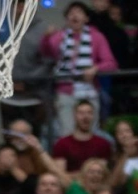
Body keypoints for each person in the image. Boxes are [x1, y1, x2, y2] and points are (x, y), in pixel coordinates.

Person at [40, 3, 118, 139]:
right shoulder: (59, 36)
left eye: (79, 12)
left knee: (91, 133)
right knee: (67, 133)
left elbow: (111, 63)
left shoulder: (97, 37)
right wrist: (46, 38)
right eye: (71, 13)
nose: (74, 15)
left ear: (86, 18)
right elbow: (46, 54)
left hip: (89, 90)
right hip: (65, 91)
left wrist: (95, 68)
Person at [50, 99, 112, 173]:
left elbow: (102, 173)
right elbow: (59, 174)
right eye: (81, 113)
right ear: (74, 116)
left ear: (94, 116)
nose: (85, 117)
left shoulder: (103, 144)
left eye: (89, 113)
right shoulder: (62, 144)